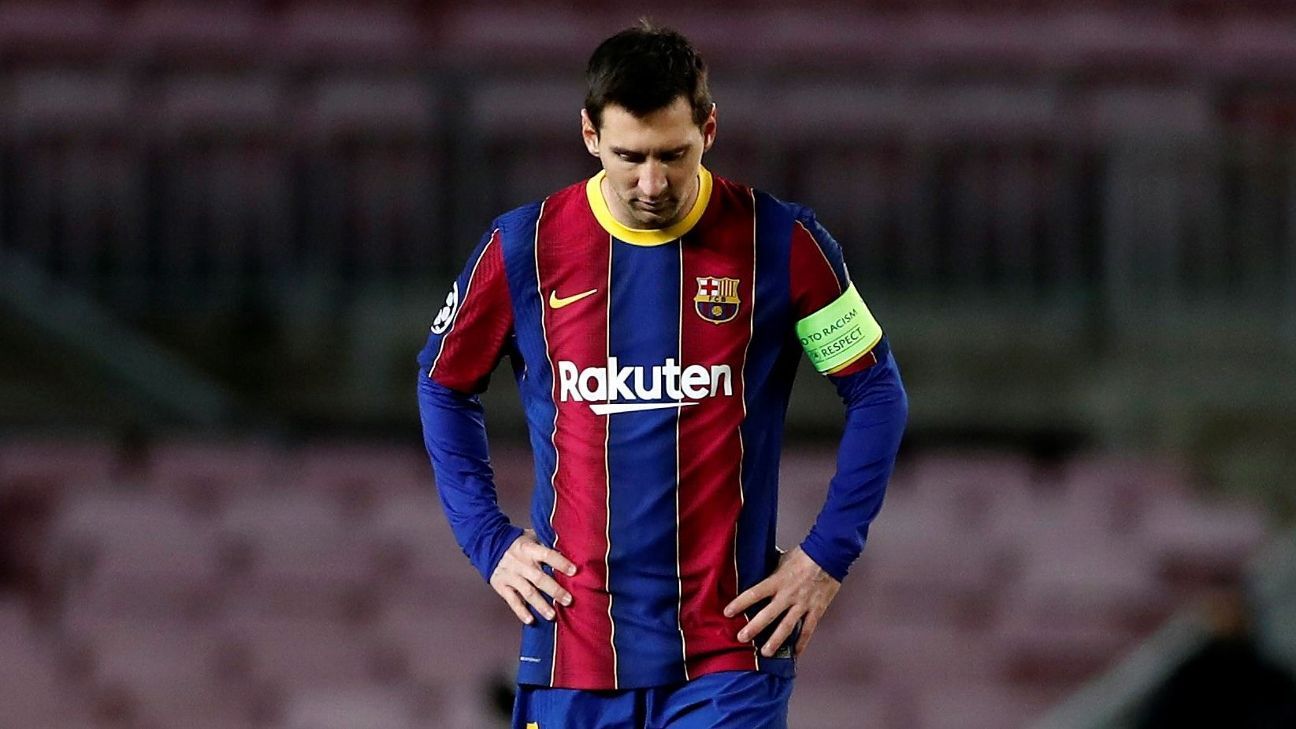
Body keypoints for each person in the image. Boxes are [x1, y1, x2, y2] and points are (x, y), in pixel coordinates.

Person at [417, 22, 907, 729]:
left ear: (709, 129)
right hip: (574, 649)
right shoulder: (524, 247)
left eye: (673, 155)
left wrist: (825, 557)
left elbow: (877, 392)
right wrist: (487, 539)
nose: (652, 182)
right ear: (590, 135)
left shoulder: (782, 241)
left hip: (728, 653)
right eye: (630, 156)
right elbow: (442, 382)